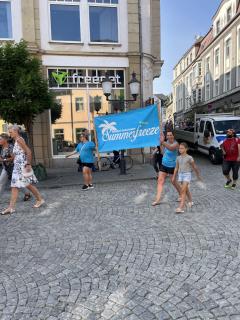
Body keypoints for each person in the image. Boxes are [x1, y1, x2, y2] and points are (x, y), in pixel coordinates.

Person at [1, 125, 45, 215]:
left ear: (16, 131)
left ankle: (39, 199)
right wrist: (7, 160)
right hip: (17, 167)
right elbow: (16, 155)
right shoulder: (16, 140)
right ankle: (11, 207)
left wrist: (28, 164)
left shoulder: (19, 140)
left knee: (24, 185)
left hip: (22, 166)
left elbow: (28, 151)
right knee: (17, 186)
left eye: (11, 132)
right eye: (9, 132)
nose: (10, 134)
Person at [152, 131, 181, 206]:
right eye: (167, 135)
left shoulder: (176, 143)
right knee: (160, 181)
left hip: (172, 166)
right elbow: (162, 152)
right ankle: (157, 199)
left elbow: (171, 148)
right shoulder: (166, 142)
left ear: (173, 136)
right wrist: (161, 144)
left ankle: (182, 194)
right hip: (164, 164)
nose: (169, 136)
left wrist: (162, 142)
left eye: (170, 135)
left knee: (174, 182)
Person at [0, 133, 31, 201]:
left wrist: (3, 160)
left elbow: (14, 158)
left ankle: (27, 193)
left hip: (13, 168)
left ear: (5, 140)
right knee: (1, 182)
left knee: (17, 182)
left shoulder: (10, 147)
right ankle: (27, 193)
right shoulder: (2, 147)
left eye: (0, 139)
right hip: (5, 168)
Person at [173, 142, 201, 213]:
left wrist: (198, 175)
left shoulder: (189, 157)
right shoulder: (178, 158)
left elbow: (194, 166)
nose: (180, 150)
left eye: (182, 148)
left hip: (187, 175)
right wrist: (174, 176)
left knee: (182, 190)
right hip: (180, 175)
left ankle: (181, 207)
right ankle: (191, 201)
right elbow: (176, 167)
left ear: (186, 149)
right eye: (179, 148)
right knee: (186, 189)